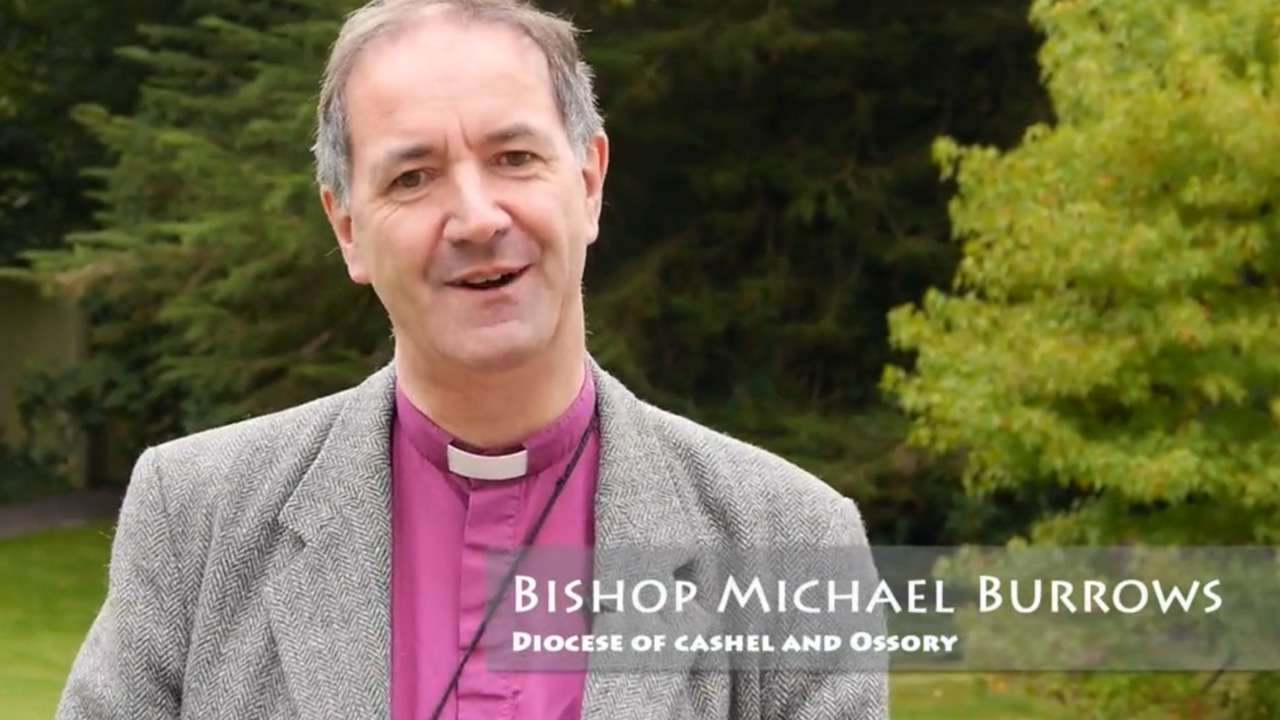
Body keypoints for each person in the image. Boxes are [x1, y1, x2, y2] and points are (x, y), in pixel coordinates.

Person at [55, 0, 888, 717]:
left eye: (514, 158)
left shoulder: (789, 539)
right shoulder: (195, 519)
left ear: (589, 181)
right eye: (413, 177)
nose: (477, 217)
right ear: (348, 226)